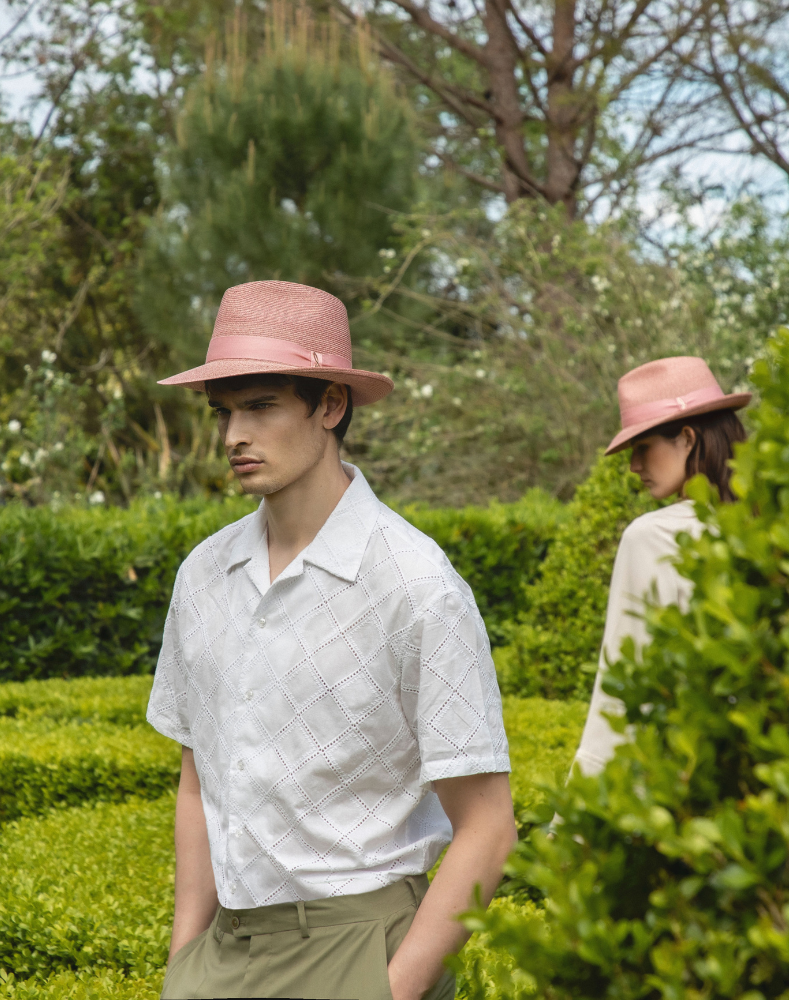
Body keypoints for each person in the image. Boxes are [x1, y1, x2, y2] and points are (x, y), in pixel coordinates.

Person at [146, 280, 517, 1000]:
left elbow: (489, 826)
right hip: (219, 958)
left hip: (362, 949)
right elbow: (199, 778)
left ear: (331, 405)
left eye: (260, 405)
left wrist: (391, 989)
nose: (232, 436)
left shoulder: (417, 585)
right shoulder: (203, 576)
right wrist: (183, 965)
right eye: (224, 411)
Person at [573, 356, 749, 777]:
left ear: (687, 439)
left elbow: (618, 692)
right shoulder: (766, 526)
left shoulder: (652, 536)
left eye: (642, 447)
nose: (634, 467)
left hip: (688, 779)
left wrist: (576, 822)